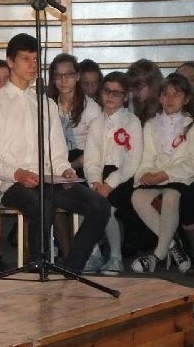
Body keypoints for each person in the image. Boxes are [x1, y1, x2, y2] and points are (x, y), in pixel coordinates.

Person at [0, 33, 110, 273]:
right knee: (42, 204)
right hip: (12, 183)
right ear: (10, 62)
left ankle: (72, 268)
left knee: (99, 205)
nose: (32, 65)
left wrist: (66, 170)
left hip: (49, 179)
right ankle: (37, 267)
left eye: (35, 59)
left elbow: (58, 153)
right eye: (25, 59)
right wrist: (18, 174)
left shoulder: (46, 104)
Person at [129, 73, 194, 273]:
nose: (170, 99)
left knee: (171, 197)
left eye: (176, 95)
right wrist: (147, 173)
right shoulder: (151, 125)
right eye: (165, 94)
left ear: (186, 99)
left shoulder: (191, 125)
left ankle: (157, 254)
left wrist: (165, 174)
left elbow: (191, 161)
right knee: (137, 197)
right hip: (156, 175)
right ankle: (173, 245)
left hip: (181, 177)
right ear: (159, 98)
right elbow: (147, 156)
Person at [83, 72, 143, 274]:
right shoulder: (95, 123)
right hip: (99, 177)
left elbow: (132, 161)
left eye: (116, 93)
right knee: (83, 205)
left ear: (125, 97)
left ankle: (116, 257)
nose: (110, 96)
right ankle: (94, 255)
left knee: (105, 209)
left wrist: (109, 184)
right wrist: (94, 181)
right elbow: (91, 159)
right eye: (107, 91)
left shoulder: (131, 122)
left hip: (122, 177)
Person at [46, 53, 102, 266]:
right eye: (58, 75)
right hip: (55, 160)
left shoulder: (91, 108)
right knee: (50, 196)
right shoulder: (47, 105)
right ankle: (68, 252)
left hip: (84, 160)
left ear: (77, 76)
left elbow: (97, 148)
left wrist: (73, 165)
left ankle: (88, 252)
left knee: (81, 195)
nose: (63, 80)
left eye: (68, 75)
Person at [126, 58, 163, 126]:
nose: (135, 93)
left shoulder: (164, 108)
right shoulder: (131, 104)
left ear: (153, 85)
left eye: (139, 88)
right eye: (132, 88)